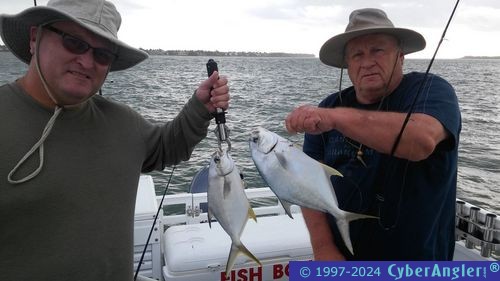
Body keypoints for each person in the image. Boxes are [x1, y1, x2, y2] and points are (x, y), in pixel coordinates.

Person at [0, 0, 229, 280]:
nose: (86, 61)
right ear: (35, 38)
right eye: (73, 42)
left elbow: (167, 146)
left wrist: (199, 107)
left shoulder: (124, 122)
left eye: (102, 54)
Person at [285, 8, 461, 260]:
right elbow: (308, 182)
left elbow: (420, 140)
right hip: (342, 262)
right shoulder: (328, 106)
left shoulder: (432, 91)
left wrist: (335, 118)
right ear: (347, 65)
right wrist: (323, 247)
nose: (367, 62)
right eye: (357, 54)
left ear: (400, 57)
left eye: (378, 50)